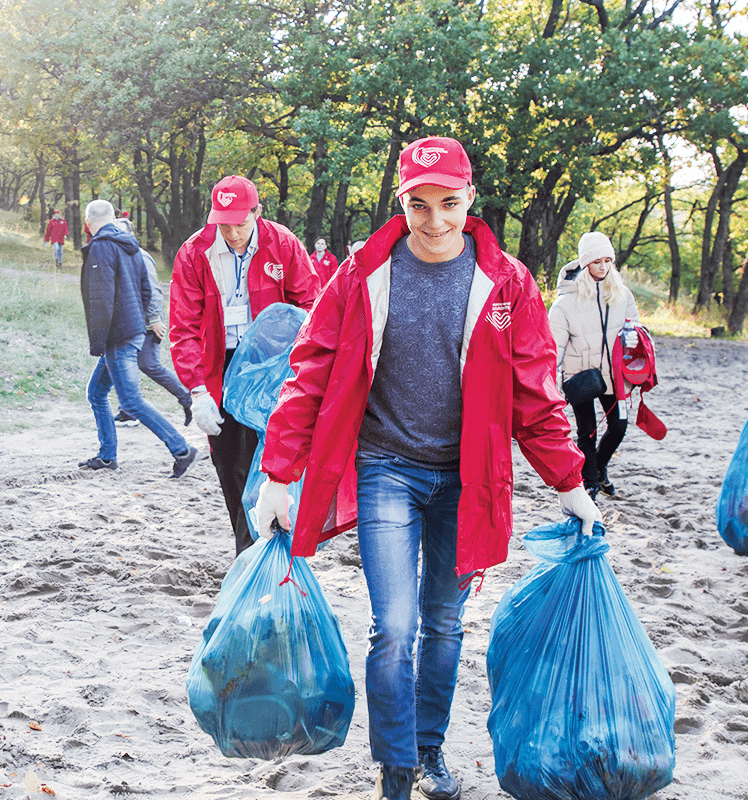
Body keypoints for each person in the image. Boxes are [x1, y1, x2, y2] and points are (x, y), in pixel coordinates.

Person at [254, 136, 600, 800]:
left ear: (470, 199)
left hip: (468, 481)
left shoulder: (508, 282)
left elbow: (537, 391)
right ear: (402, 202)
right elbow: (311, 371)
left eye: (448, 203)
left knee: (444, 624)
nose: (435, 220)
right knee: (396, 628)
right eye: (419, 205)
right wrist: (279, 472)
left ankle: (429, 750)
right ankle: (395, 767)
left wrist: (570, 484)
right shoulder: (362, 273)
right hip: (386, 468)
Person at [169, 175, 321, 555]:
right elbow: (183, 326)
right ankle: (251, 546)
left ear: (257, 211)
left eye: (241, 222)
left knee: (269, 459)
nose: (233, 232)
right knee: (229, 463)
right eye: (224, 223)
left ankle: (256, 552)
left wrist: (294, 366)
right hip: (219, 367)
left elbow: (310, 307)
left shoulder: (283, 244)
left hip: (271, 367)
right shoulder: (194, 252)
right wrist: (198, 391)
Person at [79, 199, 200, 477]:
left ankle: (182, 449)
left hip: (118, 335)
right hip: (132, 330)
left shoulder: (101, 247)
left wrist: (99, 341)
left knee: (131, 402)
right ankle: (107, 456)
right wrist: (144, 324)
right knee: (96, 393)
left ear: (88, 223)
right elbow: (148, 287)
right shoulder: (130, 246)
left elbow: (101, 299)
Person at [548, 232, 640, 500]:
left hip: (616, 375)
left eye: (608, 260)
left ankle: (599, 468)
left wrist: (635, 335)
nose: (603, 266)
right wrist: (551, 381)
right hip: (580, 376)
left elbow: (636, 328)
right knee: (586, 431)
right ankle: (589, 483)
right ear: (585, 262)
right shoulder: (565, 302)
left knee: (619, 426)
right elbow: (555, 347)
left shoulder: (623, 295)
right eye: (597, 261)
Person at [114, 247, 193, 429]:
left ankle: (186, 398)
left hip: (148, 323)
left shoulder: (140, 256)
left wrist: (155, 317)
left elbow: (153, 289)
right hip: (129, 323)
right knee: (120, 364)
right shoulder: (119, 255)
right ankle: (128, 412)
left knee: (148, 364)